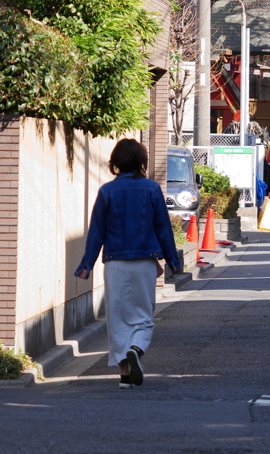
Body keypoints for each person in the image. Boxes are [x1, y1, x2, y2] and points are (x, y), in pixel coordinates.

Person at [74, 138, 181, 389]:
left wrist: (86, 265)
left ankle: (124, 376)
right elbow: (163, 229)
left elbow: (97, 232)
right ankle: (136, 348)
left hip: (115, 263)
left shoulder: (106, 191)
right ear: (141, 161)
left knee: (118, 319)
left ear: (115, 163)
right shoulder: (152, 189)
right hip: (144, 262)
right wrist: (173, 261)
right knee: (143, 317)